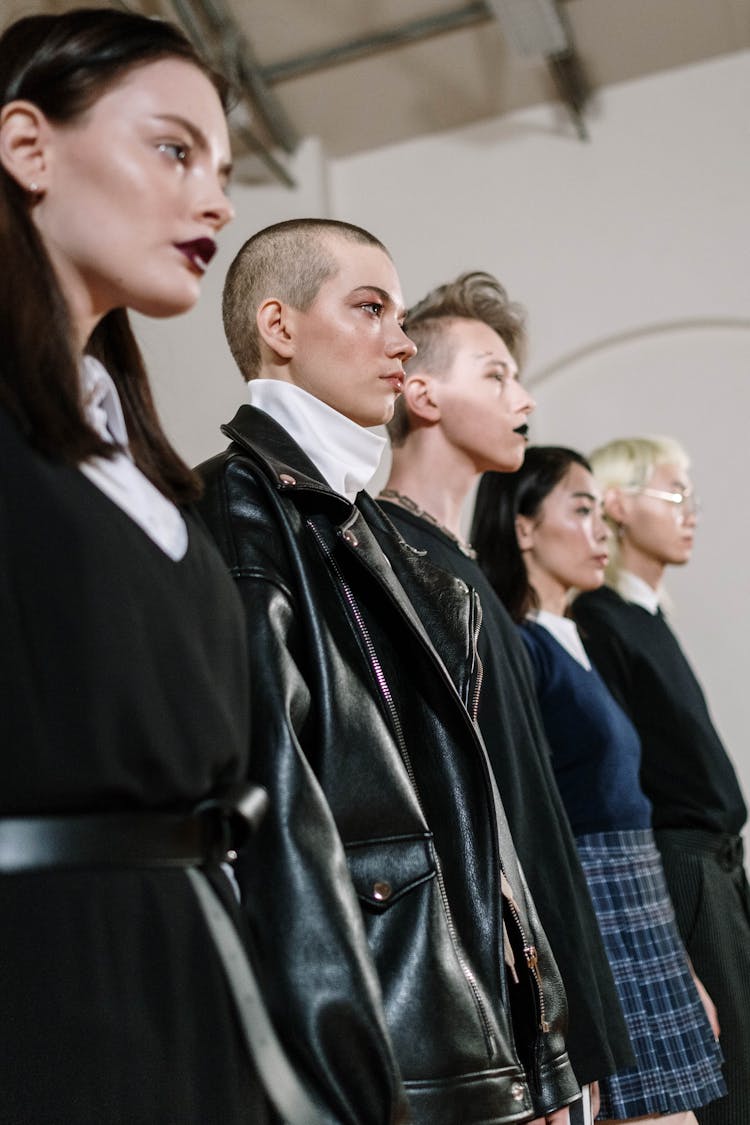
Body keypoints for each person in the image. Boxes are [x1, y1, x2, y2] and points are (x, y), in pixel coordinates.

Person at [0, 9, 315, 1124]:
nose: (217, 202)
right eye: (174, 149)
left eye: (224, 167)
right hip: (49, 995)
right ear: (28, 147)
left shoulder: (146, 465)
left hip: (196, 968)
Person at [196, 219, 581, 1124]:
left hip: (462, 1020)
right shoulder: (239, 514)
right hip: (384, 1045)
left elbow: (468, 810)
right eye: (369, 308)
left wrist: (543, 1044)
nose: (400, 341)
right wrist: (355, 1084)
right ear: (279, 326)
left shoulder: (372, 532)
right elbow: (276, 825)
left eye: (401, 315)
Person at [379, 271, 636, 1125]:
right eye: (494, 374)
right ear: (421, 392)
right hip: (492, 1005)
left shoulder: (469, 575)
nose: (522, 395)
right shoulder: (392, 563)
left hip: (546, 994)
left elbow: (535, 814)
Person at [471, 445, 727, 1123]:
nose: (599, 532)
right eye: (579, 511)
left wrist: (684, 965)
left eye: (598, 513)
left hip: (641, 895)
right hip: (592, 900)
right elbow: (529, 814)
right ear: (524, 528)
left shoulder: (573, 634)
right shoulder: (522, 644)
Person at [572, 436, 750, 1125]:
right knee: (723, 1084)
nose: (690, 511)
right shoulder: (600, 618)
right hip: (677, 869)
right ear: (616, 504)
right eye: (674, 493)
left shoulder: (646, 615)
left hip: (716, 867)